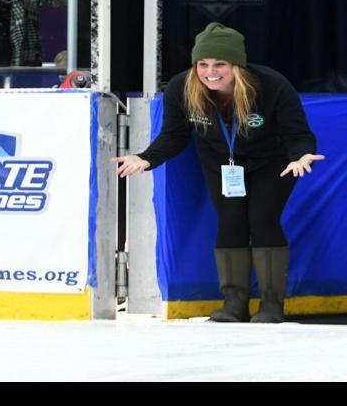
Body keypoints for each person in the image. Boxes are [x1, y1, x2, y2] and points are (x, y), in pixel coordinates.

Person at [115, 22, 325, 323]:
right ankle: (234, 303)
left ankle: (271, 305)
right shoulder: (182, 87)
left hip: (274, 162)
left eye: (219, 64)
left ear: (236, 65)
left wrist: (302, 155)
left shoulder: (271, 85)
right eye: (202, 63)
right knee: (230, 221)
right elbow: (174, 135)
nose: (210, 71)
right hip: (221, 163)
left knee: (262, 218)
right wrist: (147, 158)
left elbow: (298, 133)